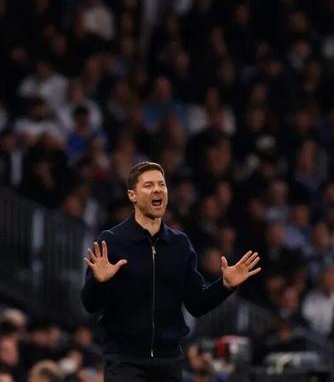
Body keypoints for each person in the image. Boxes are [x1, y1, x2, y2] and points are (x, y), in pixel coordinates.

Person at [81, 161, 261, 381]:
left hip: (169, 362)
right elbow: (89, 304)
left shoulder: (180, 244)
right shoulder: (112, 241)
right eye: (148, 185)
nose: (157, 190)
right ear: (132, 195)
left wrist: (225, 286)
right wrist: (99, 282)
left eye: (162, 185)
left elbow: (197, 304)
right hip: (124, 360)